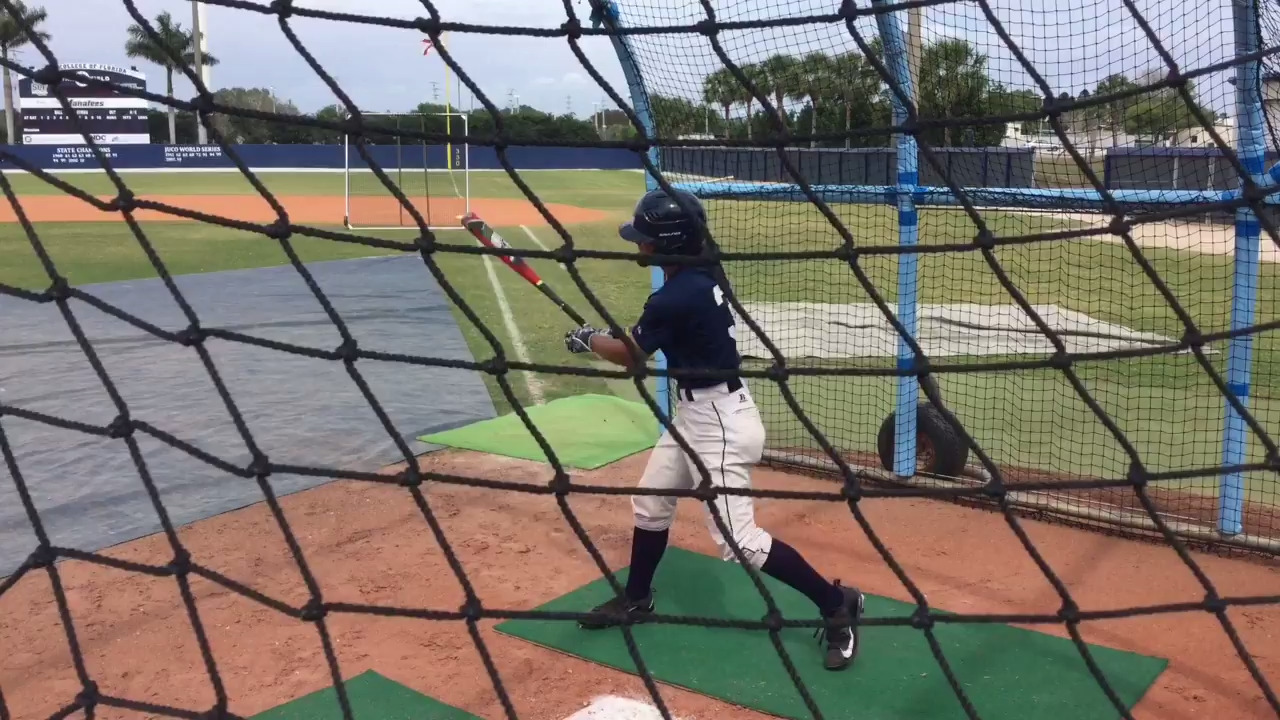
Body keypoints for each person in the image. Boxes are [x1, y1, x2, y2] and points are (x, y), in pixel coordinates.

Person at [562, 187, 865, 671]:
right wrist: (606, 337)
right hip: (698, 413)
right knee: (651, 501)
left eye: (646, 239)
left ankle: (837, 605)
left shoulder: (674, 296)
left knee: (739, 542)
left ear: (669, 244)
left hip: (719, 424)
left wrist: (588, 340)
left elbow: (630, 358)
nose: (638, 246)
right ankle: (637, 598)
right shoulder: (703, 268)